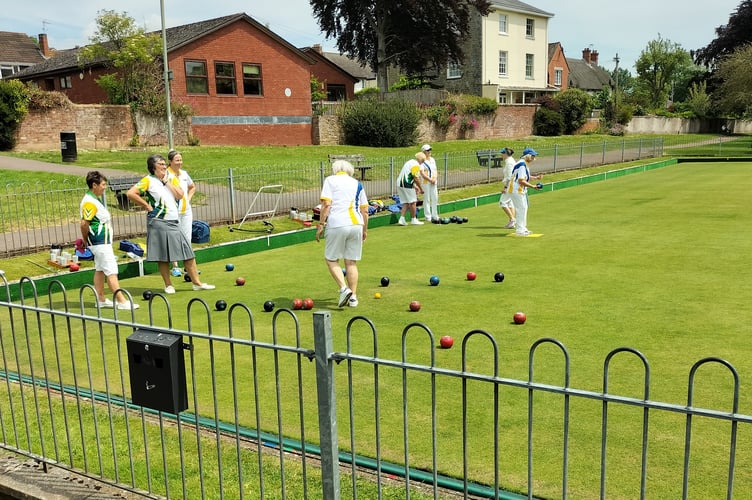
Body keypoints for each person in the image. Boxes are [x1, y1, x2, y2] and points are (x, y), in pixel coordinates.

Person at [126, 154, 215, 294]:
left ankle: (197, 283)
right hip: (158, 221)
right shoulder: (148, 181)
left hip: (174, 221)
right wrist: (147, 206)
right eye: (160, 164)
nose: (163, 166)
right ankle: (168, 285)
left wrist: (167, 182)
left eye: (163, 163)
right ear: (153, 167)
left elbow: (180, 195)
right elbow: (131, 193)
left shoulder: (170, 178)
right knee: (163, 255)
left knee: (188, 252)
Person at [79, 171, 139, 310]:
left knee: (100, 269)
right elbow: (84, 224)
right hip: (100, 242)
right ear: (94, 185)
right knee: (111, 271)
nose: (105, 187)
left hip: (101, 242)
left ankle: (100, 300)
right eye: (103, 184)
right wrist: (85, 239)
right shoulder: (90, 202)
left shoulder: (94, 198)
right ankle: (122, 302)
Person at [315, 160, 369, 308]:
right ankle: (353, 298)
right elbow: (365, 210)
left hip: (337, 223)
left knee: (331, 259)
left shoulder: (330, 180)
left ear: (335, 169)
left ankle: (344, 289)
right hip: (356, 224)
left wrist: (321, 224)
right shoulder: (357, 183)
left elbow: (326, 204)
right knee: (351, 262)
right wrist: (364, 229)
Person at [166, 150, 196, 277]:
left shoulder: (184, 174)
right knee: (174, 239)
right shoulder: (166, 175)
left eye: (180, 160)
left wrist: (188, 199)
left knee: (187, 239)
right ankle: (175, 267)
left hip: (186, 211)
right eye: (177, 160)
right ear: (170, 161)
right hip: (173, 211)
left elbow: (192, 187)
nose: (179, 162)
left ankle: (187, 267)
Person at [509, 147, 543, 236]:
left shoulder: (524, 164)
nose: (533, 158)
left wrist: (535, 178)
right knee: (521, 209)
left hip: (519, 190)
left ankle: (523, 228)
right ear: (527, 156)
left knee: (524, 208)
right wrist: (533, 187)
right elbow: (521, 180)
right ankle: (520, 230)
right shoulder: (522, 165)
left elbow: (525, 177)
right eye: (532, 156)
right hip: (516, 190)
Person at [396, 152, 425, 226]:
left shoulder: (410, 162)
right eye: (423, 161)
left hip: (399, 183)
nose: (423, 162)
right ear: (421, 160)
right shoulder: (416, 165)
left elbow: (408, 175)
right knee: (413, 202)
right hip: (406, 184)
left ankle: (401, 219)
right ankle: (413, 219)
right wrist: (421, 188)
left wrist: (415, 186)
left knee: (405, 202)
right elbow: (416, 178)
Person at [419, 144, 439, 222]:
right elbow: (422, 173)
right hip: (426, 182)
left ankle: (435, 215)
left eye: (430, 150)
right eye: (427, 150)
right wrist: (430, 180)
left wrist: (434, 178)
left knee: (435, 198)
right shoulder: (422, 161)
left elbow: (435, 170)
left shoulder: (432, 160)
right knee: (426, 198)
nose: (429, 151)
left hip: (434, 181)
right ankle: (428, 216)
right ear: (423, 152)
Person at [499, 147, 517, 229]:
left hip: (510, 185)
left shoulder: (509, 163)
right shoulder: (510, 161)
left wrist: (505, 187)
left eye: (502, 153)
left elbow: (510, 177)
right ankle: (511, 222)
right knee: (510, 203)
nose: (501, 155)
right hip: (512, 185)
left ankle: (512, 219)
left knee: (502, 202)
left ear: (506, 154)